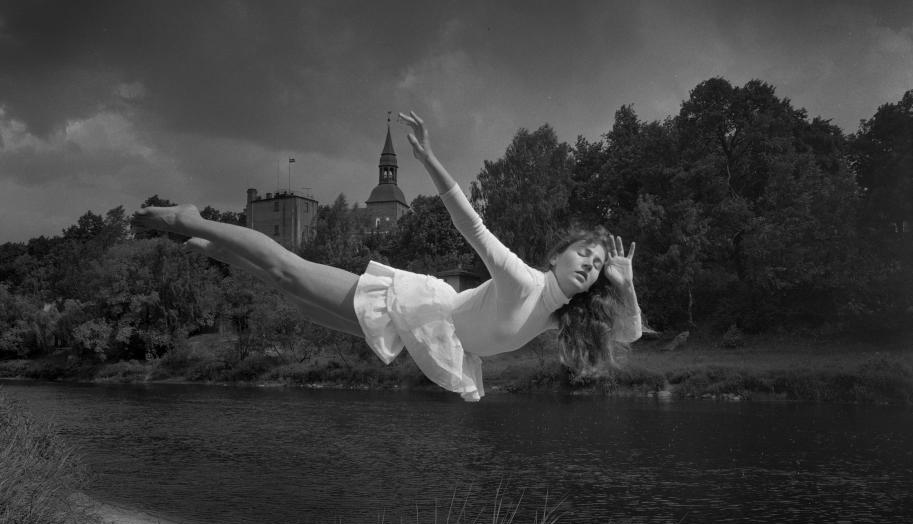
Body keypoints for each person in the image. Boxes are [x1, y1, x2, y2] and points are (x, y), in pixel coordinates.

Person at [132, 112, 642, 401]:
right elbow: (472, 223)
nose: (590, 266)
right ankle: (190, 220)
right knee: (291, 269)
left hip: (421, 331)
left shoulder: (558, 316)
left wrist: (627, 284)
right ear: (559, 256)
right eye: (584, 254)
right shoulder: (523, 282)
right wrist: (429, 159)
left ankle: (214, 246)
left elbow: (629, 334)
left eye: (597, 266)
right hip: (415, 308)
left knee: (294, 296)